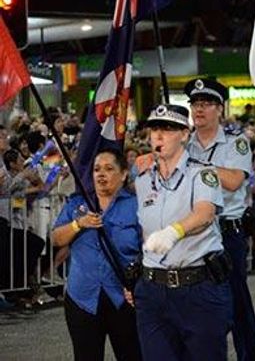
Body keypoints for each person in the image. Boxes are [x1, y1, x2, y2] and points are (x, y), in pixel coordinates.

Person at [134, 103, 232, 360]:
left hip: (197, 287)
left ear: (185, 134)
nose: (158, 135)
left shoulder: (201, 173)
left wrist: (174, 232)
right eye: (154, 129)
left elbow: (204, 214)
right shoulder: (143, 180)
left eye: (167, 129)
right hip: (153, 289)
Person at [183, 78, 255, 361]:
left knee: (237, 304)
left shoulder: (235, 142)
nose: (198, 110)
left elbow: (233, 180)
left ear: (219, 109)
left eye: (205, 104)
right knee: (199, 305)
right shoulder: (184, 143)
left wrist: (197, 167)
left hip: (227, 232)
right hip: (195, 233)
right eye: (194, 104)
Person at [52, 148, 141, 361]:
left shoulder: (136, 205)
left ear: (124, 174)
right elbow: (56, 239)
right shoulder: (77, 204)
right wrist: (78, 224)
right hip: (82, 297)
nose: (101, 174)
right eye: (97, 169)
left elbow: (147, 247)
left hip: (123, 296)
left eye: (109, 169)